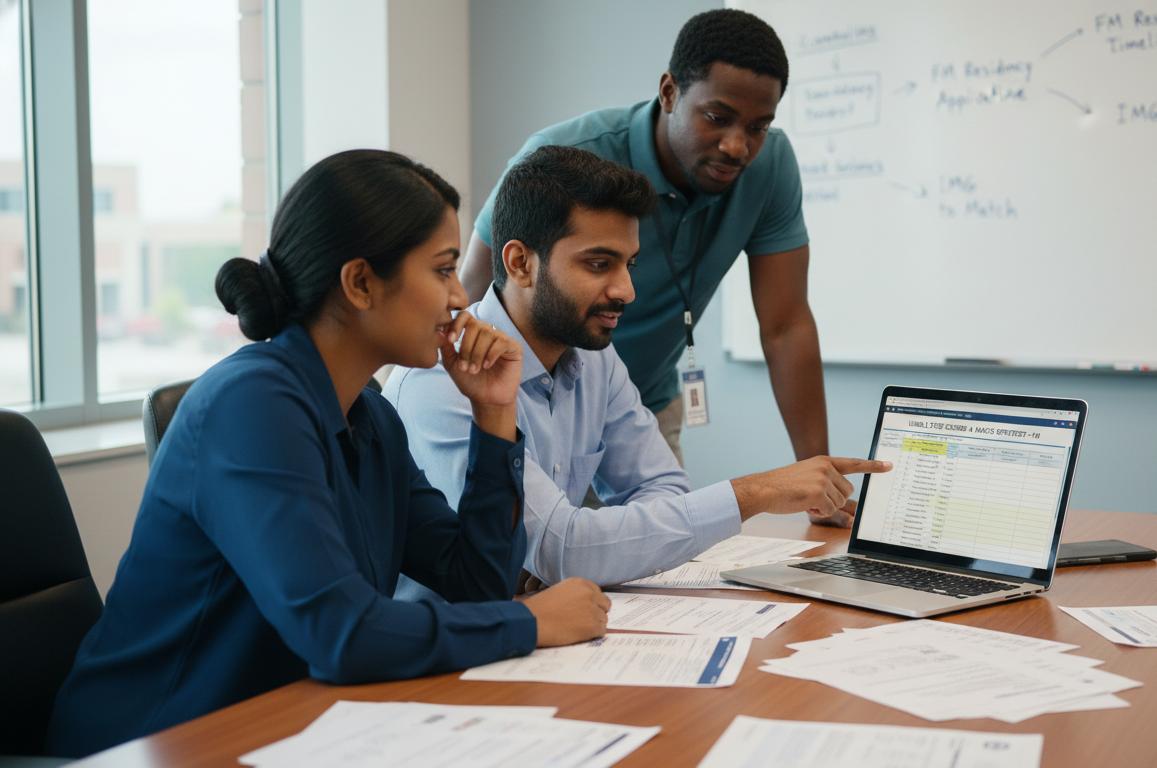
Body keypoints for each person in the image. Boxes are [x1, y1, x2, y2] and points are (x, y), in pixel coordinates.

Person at [44, 150, 609, 759]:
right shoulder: (250, 406)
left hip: (290, 727)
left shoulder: (371, 417)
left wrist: (495, 416)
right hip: (156, 743)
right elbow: (341, 631)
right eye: (444, 270)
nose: (459, 299)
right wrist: (533, 622)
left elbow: (479, 582)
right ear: (360, 282)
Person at [384, 145, 889, 589]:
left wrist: (585, 555)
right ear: (520, 263)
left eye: (630, 264)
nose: (626, 290)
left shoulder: (594, 357)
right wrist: (754, 493)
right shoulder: (440, 379)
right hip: (441, 667)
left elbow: (663, 488)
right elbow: (561, 548)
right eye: (599, 264)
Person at [457, 10, 845, 524]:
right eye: (717, 117)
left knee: (664, 565)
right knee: (533, 559)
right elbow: (471, 295)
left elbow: (786, 324)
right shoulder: (565, 158)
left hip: (641, 404)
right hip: (533, 398)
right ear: (669, 92)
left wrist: (817, 479)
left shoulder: (769, 166)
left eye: (758, 126)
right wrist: (453, 401)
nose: (737, 145)